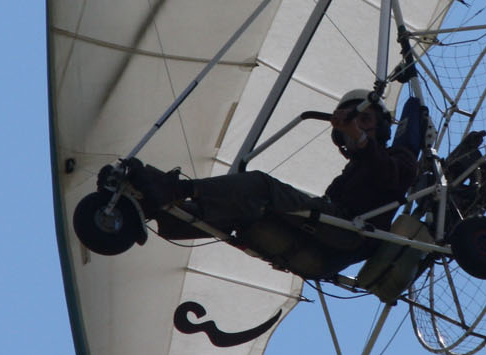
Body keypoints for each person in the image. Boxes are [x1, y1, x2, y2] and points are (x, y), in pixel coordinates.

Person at [119, 89, 419, 277]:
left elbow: (394, 176)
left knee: (261, 187)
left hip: (351, 234)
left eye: (365, 121)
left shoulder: (397, 157)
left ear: (379, 127)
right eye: (352, 125)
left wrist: (361, 137)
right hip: (330, 232)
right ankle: (157, 211)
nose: (357, 128)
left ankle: (173, 190)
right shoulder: (349, 175)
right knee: (243, 212)